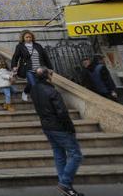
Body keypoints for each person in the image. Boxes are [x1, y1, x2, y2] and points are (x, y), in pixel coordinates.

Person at [30, 67, 83, 196]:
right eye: (51, 73)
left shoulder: (34, 90)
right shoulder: (52, 91)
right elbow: (62, 113)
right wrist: (70, 128)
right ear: (47, 76)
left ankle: (65, 187)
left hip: (47, 126)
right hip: (59, 127)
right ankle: (65, 184)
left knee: (59, 154)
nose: (52, 75)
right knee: (76, 155)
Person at [10, 30, 52, 102]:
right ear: (23, 38)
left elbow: (45, 57)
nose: (28, 39)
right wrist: (14, 66)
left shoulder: (38, 45)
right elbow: (15, 57)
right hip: (28, 69)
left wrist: (50, 68)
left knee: (34, 83)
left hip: (39, 69)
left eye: (30, 37)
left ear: (32, 37)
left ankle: (25, 92)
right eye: (27, 37)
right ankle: (38, 99)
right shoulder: (20, 46)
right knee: (34, 84)